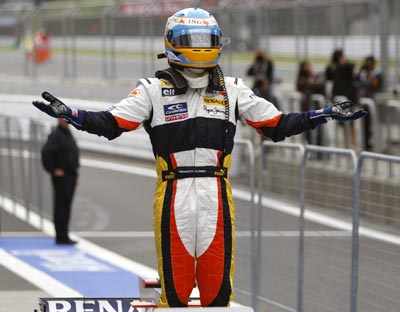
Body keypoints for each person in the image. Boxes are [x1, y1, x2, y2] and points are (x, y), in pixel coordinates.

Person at [32, 8, 366, 307]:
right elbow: (113, 123)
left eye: (207, 38)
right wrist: (73, 114)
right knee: (176, 295)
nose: (201, 45)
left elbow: (275, 125)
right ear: (172, 42)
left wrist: (322, 114)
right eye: (192, 38)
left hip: (217, 195)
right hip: (173, 194)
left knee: (217, 293)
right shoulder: (151, 89)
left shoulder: (233, 88)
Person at [41, 118, 79, 245]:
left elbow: (73, 153)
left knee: (66, 206)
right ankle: (61, 236)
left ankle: (64, 235)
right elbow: (46, 153)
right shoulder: (56, 134)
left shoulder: (67, 133)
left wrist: (75, 174)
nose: (66, 121)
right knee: (61, 207)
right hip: (62, 177)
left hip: (70, 175)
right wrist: (53, 169)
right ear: (59, 120)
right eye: (63, 119)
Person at [325, 49, 358, 148]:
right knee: (348, 121)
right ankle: (351, 142)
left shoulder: (332, 68)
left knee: (345, 121)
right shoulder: (345, 67)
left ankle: (349, 142)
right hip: (345, 98)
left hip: (339, 98)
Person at [296, 60, 325, 145]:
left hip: (316, 108)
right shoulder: (303, 79)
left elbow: (320, 86)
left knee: (318, 128)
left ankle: (318, 146)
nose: (311, 68)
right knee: (309, 129)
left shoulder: (315, 77)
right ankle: (311, 145)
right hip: (307, 108)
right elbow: (302, 86)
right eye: (309, 66)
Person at [357, 55, 382, 150]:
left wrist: (370, 76)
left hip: (373, 102)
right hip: (364, 102)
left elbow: (375, 84)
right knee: (365, 124)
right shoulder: (362, 73)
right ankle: (366, 143)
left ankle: (373, 142)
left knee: (373, 124)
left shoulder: (376, 73)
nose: (369, 65)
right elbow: (358, 82)